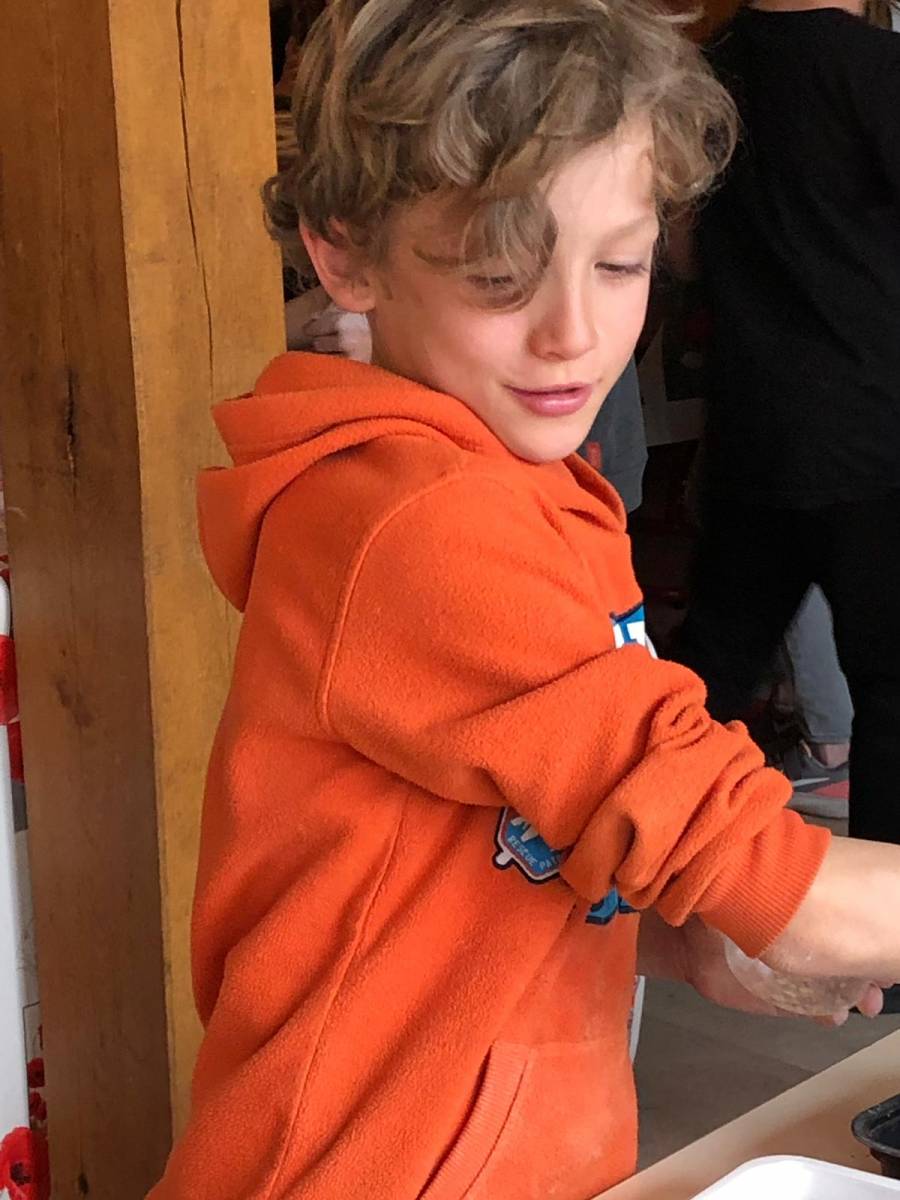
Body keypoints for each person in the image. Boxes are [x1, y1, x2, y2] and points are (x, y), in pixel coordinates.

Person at [149, 3, 900, 1197]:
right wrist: (764, 903)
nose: (573, 335)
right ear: (345, 253)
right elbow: (755, 862)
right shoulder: (420, 521)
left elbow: (468, 871)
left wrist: (678, 942)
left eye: (620, 264)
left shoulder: (525, 484)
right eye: (500, 273)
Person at [672, 0, 900, 851]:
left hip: (752, 426)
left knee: (709, 674)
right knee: (892, 691)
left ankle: (639, 871)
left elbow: (682, 251)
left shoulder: (701, 71)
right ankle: (884, 918)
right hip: (876, 432)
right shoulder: (878, 71)